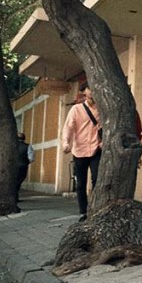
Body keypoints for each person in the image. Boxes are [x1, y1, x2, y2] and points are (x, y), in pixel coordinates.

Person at [62, 82, 101, 221]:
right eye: (89, 89)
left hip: (97, 148)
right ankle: (83, 211)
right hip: (79, 150)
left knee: (97, 179)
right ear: (84, 92)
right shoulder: (76, 109)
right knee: (80, 184)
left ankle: (96, 208)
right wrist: (66, 143)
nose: (92, 92)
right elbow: (68, 127)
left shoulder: (102, 109)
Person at [14, 132, 34, 202]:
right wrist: (26, 162)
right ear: (24, 138)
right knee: (19, 181)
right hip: (23, 166)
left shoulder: (12, 146)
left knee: (13, 181)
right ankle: (15, 196)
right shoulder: (28, 146)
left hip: (12, 166)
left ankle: (13, 196)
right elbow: (31, 158)